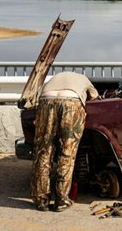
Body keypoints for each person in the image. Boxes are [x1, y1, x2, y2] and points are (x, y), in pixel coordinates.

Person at [30, 71, 99, 212]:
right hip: (71, 102)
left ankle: (41, 200)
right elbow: (95, 98)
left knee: (43, 152)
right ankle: (61, 200)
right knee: (67, 152)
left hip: (46, 101)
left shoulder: (54, 78)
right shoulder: (84, 79)